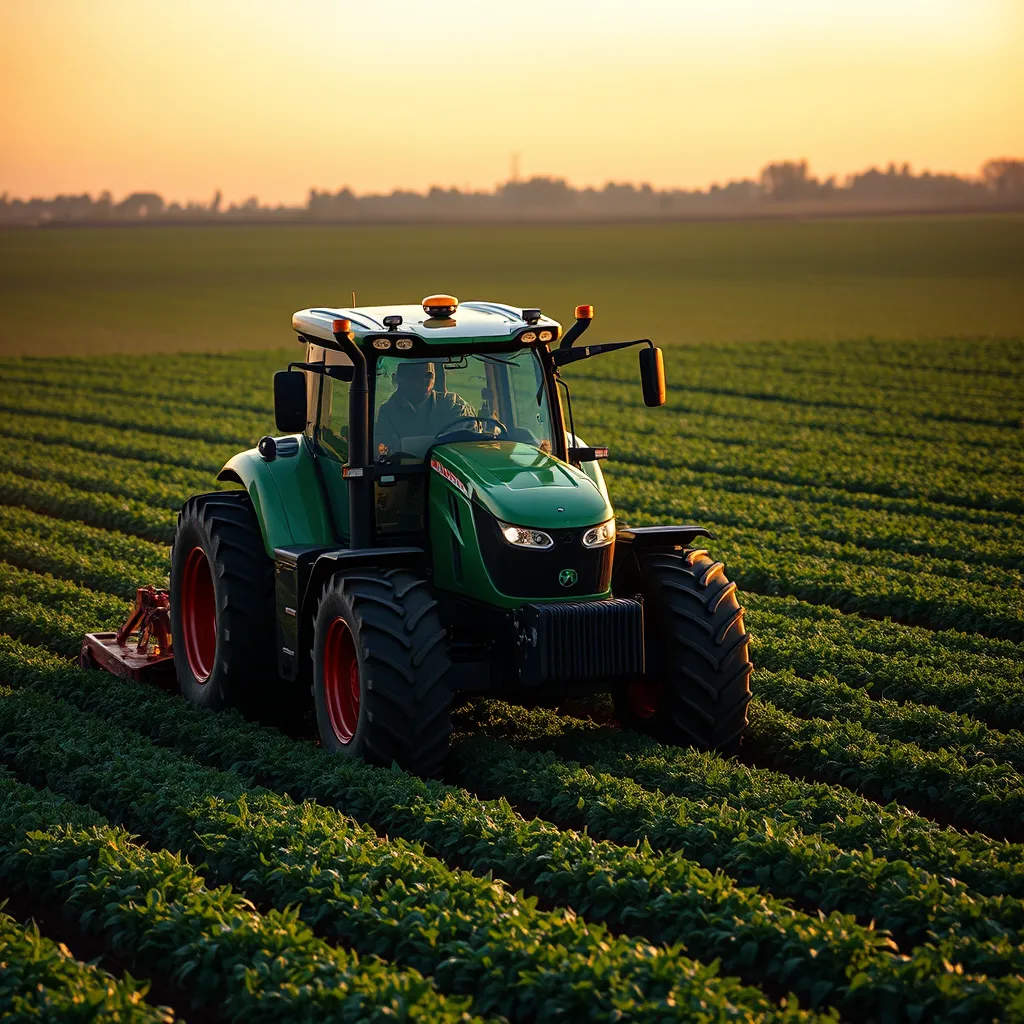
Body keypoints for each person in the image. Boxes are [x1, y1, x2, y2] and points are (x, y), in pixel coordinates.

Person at [375, 360, 476, 456]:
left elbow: (467, 444)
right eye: (415, 376)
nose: (425, 382)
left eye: (428, 376)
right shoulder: (388, 412)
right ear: (398, 379)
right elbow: (385, 451)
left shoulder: (453, 404)